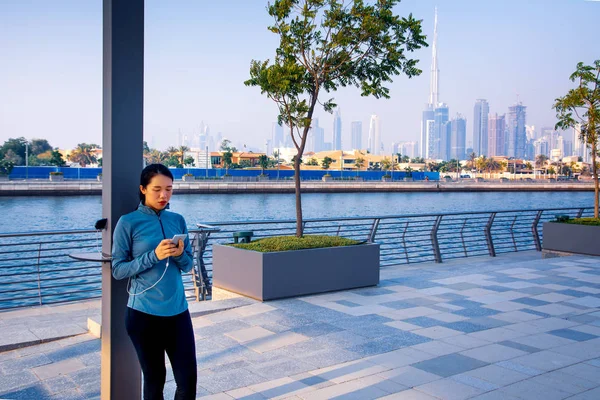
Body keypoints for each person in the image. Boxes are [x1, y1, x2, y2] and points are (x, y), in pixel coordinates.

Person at [112, 163, 196, 400]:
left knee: (187, 382)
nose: (163, 195)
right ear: (143, 189)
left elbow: (188, 265)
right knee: (155, 380)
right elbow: (118, 270)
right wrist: (153, 256)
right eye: (157, 189)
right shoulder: (128, 223)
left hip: (178, 312)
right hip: (143, 315)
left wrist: (179, 254)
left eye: (169, 189)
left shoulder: (177, 220)